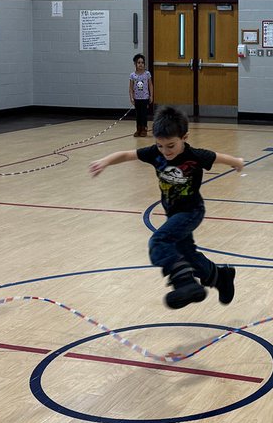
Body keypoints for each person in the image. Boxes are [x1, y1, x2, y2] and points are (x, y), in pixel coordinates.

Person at [89, 106, 244, 309]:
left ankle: (184, 282)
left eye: (170, 146)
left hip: (191, 211)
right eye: (160, 145)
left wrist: (237, 162)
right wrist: (105, 161)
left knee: (159, 240)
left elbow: (219, 157)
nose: (165, 151)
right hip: (173, 214)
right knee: (186, 253)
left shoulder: (195, 155)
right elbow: (127, 155)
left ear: (184, 137)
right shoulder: (155, 154)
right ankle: (220, 277)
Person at [129, 53, 154, 137]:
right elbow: (131, 88)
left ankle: (144, 129)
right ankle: (138, 129)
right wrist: (131, 98)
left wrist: (151, 96)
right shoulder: (132, 75)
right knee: (138, 114)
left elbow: (150, 85)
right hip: (136, 98)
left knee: (144, 114)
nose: (141, 64)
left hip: (145, 98)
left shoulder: (147, 74)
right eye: (139, 62)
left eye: (142, 62)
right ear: (135, 64)